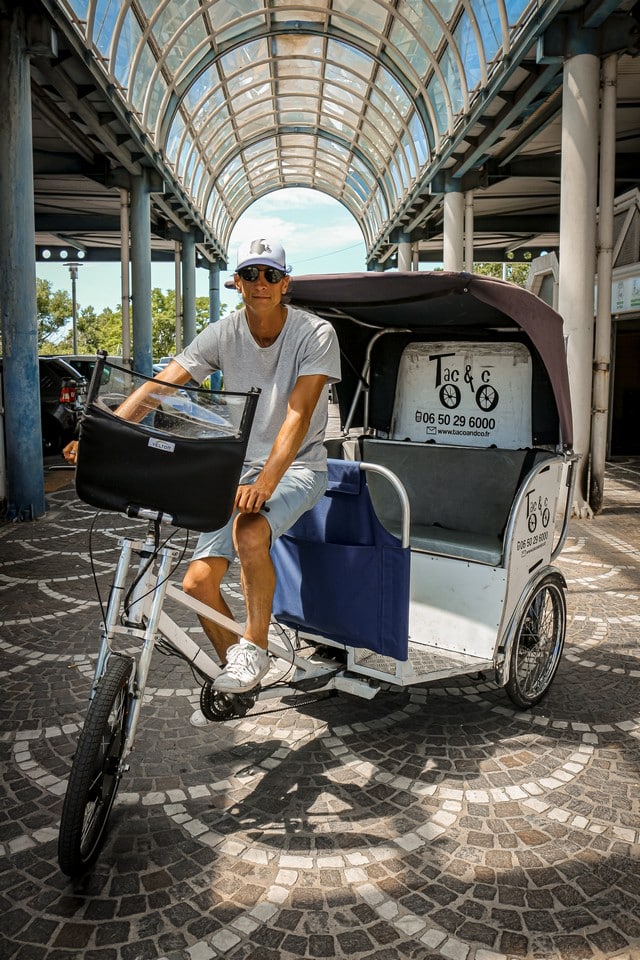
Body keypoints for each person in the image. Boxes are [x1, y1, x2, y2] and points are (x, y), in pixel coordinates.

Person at [64, 237, 341, 725]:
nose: (260, 283)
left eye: (271, 275)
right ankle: (239, 671)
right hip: (236, 472)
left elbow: (298, 415)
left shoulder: (314, 333)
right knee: (195, 584)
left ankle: (254, 647)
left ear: (285, 285)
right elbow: (162, 386)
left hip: (298, 466)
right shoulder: (223, 332)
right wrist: (101, 435)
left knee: (250, 530)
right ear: (237, 282)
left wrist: (268, 482)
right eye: (251, 274)